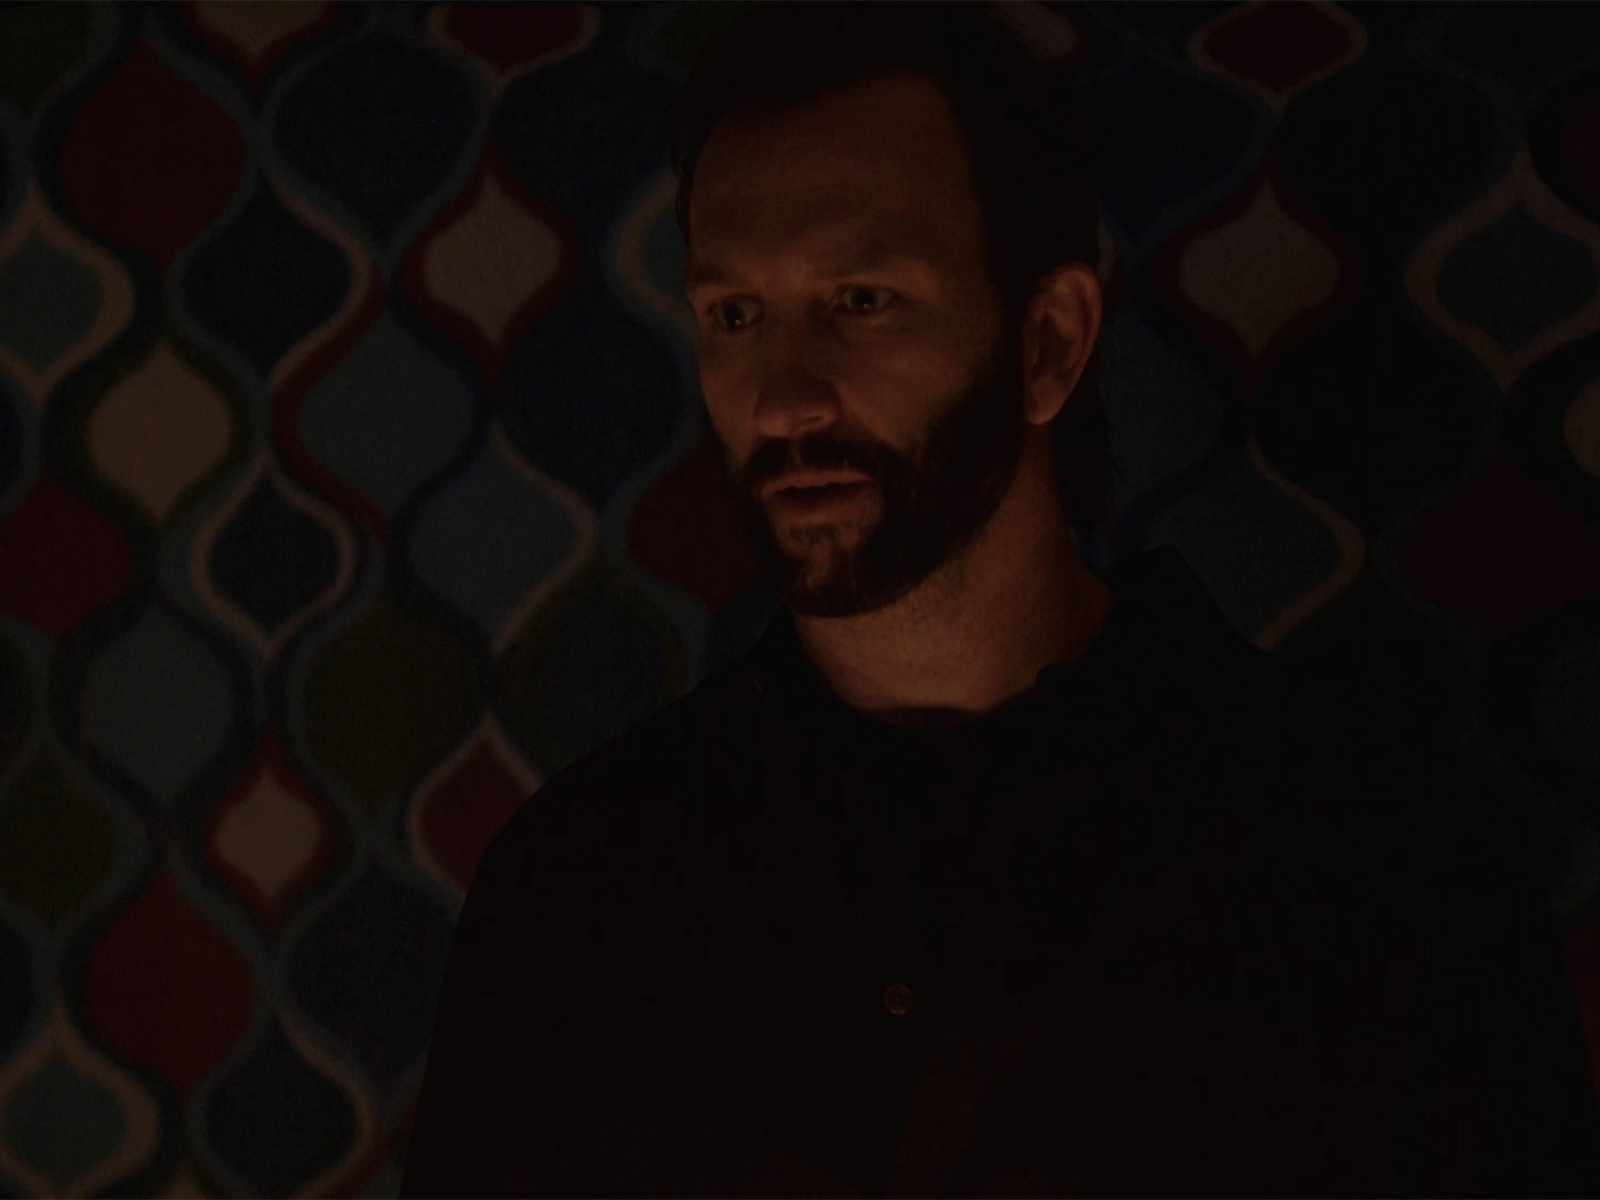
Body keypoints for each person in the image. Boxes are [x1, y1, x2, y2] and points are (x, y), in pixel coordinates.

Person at [400, 4, 1600, 1195]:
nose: (783, 398)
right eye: (735, 315)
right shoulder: (581, 897)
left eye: (860, 299)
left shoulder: (1380, 874)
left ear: (1048, 344)